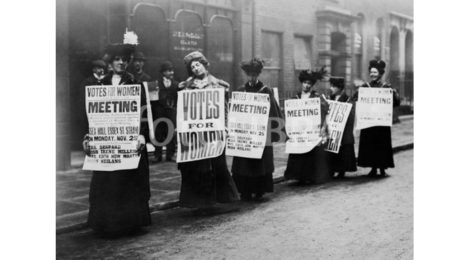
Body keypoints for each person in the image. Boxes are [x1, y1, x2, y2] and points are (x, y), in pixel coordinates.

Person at [82, 43, 151, 236]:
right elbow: (90, 113)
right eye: (117, 59)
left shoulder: (135, 84)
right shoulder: (99, 84)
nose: (121, 63)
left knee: (128, 181)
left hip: (129, 140)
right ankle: (106, 223)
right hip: (107, 141)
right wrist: (88, 136)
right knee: (108, 181)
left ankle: (129, 224)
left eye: (124, 59)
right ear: (111, 62)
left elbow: (143, 112)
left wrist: (141, 135)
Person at [177, 51, 239, 213]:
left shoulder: (219, 85)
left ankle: (221, 198)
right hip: (195, 133)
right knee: (197, 167)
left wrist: (226, 126)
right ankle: (200, 201)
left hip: (214, 132)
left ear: (204, 64)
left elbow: (225, 109)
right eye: (192, 67)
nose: (196, 69)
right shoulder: (187, 86)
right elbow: (183, 109)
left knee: (217, 164)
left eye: (198, 65)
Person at [231, 58, 283, 202]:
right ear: (246, 75)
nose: (252, 78)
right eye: (249, 75)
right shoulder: (241, 90)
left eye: (254, 75)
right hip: (245, 132)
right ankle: (245, 191)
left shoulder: (266, 91)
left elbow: (273, 111)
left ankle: (259, 190)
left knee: (260, 162)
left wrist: (273, 130)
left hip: (261, 132)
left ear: (258, 75)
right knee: (244, 162)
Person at [284, 68, 331, 185]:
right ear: (302, 83)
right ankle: (298, 175)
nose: (306, 85)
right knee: (299, 152)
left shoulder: (317, 98)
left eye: (309, 83)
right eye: (305, 83)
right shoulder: (296, 98)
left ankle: (310, 175)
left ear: (312, 85)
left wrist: (323, 128)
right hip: (300, 130)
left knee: (310, 153)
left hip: (311, 130)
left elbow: (325, 112)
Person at [356, 59, 400, 177]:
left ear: (380, 73)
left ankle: (382, 167)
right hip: (369, 121)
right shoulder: (366, 86)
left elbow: (396, 103)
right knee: (370, 144)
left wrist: (394, 94)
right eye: (371, 72)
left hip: (381, 122)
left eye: (375, 72)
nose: (372, 74)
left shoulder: (386, 87)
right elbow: (357, 100)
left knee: (381, 144)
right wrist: (358, 92)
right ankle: (373, 168)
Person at [327, 76, 357, 178]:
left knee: (342, 149)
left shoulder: (347, 98)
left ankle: (341, 170)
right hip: (332, 128)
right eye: (331, 86)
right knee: (330, 148)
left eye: (334, 86)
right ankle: (331, 169)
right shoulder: (330, 97)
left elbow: (351, 114)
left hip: (343, 129)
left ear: (339, 88)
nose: (331, 88)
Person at [152, 61, 178, 162]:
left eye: (172, 70)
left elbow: (178, 98)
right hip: (159, 112)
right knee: (158, 132)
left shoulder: (176, 84)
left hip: (171, 112)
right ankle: (157, 154)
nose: (172, 72)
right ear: (163, 72)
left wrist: (174, 108)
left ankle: (170, 155)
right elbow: (152, 99)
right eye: (169, 71)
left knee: (171, 132)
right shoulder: (156, 84)